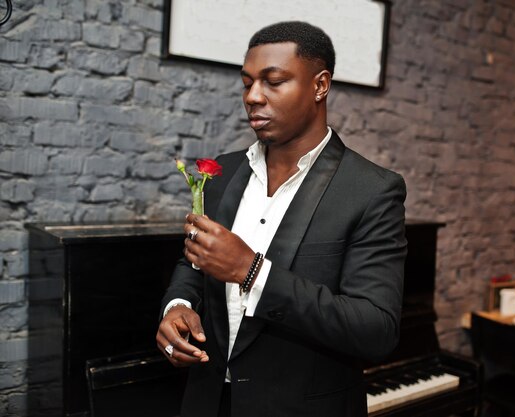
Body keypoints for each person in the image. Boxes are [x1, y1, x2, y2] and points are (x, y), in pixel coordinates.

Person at [156, 21, 407, 417]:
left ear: (320, 85)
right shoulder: (220, 174)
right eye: (247, 82)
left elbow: (375, 329)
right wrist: (178, 304)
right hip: (207, 402)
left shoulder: (372, 191)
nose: (253, 96)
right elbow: (192, 262)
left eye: (273, 81)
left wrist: (251, 271)